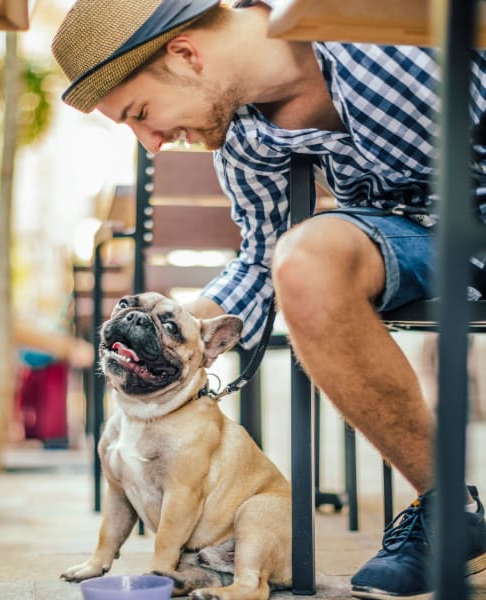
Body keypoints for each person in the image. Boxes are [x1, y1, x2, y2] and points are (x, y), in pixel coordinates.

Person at [51, 1, 486, 598]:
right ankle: (450, 509)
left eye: (141, 112)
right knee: (300, 260)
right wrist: (177, 337)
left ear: (185, 53)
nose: (151, 144)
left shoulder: (377, 36)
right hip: (416, 241)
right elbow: (261, 256)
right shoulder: (245, 137)